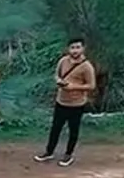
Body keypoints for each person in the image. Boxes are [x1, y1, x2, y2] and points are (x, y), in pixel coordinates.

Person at [33, 37, 96, 167]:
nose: (75, 50)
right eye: (72, 47)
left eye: (78, 47)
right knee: (55, 128)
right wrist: (58, 81)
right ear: (68, 49)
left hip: (77, 104)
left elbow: (91, 85)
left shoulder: (87, 67)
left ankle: (68, 154)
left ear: (83, 48)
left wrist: (73, 87)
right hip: (61, 101)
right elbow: (56, 75)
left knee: (73, 130)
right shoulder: (63, 61)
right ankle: (49, 152)